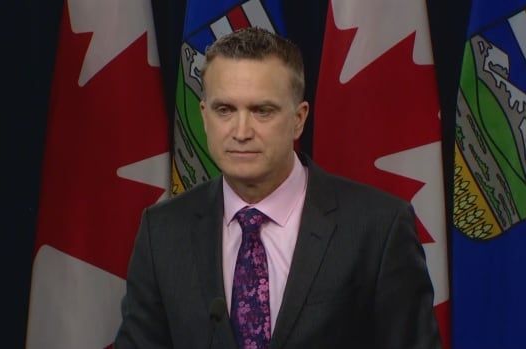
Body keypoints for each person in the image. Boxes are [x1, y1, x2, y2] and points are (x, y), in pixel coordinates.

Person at [115, 27, 440, 349]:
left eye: (262, 111)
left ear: (298, 119)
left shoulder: (378, 227)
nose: (241, 131)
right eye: (225, 110)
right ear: (204, 115)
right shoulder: (163, 231)